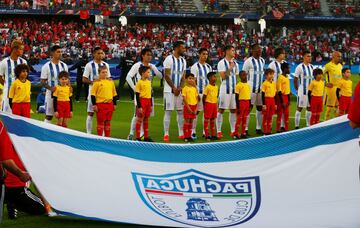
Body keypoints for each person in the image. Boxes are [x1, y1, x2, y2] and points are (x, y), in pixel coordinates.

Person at [0, 121, 47, 220]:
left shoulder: (8, 146)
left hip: (4, 186)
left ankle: (11, 203)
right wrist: (46, 205)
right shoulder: (29, 155)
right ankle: (14, 203)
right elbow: (37, 183)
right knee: (42, 208)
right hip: (18, 190)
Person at [126, 48, 162, 140]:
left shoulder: (152, 66)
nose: (149, 57)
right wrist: (135, 88)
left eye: (151, 55)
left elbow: (160, 76)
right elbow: (128, 77)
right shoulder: (137, 65)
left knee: (146, 115)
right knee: (137, 114)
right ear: (142, 55)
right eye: (147, 54)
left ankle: (143, 134)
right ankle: (131, 133)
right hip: (140, 95)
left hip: (149, 95)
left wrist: (155, 68)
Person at [163, 41, 187, 142]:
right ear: (177, 48)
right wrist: (173, 88)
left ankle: (181, 132)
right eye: (182, 48)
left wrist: (180, 88)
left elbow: (183, 76)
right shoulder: (169, 59)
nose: (184, 49)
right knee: (168, 111)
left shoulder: (183, 61)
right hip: (169, 90)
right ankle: (166, 133)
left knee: (180, 111)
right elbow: (166, 75)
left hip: (179, 91)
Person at [83, 47, 110, 134]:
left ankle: (101, 135)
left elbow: (108, 78)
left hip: (103, 94)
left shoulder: (106, 65)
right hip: (93, 93)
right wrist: (93, 82)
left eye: (102, 53)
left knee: (103, 114)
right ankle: (88, 133)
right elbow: (84, 79)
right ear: (94, 54)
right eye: (98, 53)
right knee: (91, 113)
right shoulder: (89, 65)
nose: (100, 55)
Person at [40, 45, 68, 123]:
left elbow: (67, 79)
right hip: (51, 95)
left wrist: (69, 87)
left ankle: (59, 134)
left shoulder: (64, 65)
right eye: (58, 52)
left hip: (62, 96)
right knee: (49, 116)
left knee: (62, 116)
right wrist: (50, 88)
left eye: (61, 52)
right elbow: (42, 81)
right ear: (52, 53)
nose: (60, 53)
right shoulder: (46, 66)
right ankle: (45, 133)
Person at [217, 45, 239, 139]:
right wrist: (230, 68)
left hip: (233, 90)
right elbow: (223, 77)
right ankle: (218, 131)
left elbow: (236, 76)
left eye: (234, 50)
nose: (234, 52)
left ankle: (233, 130)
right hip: (224, 90)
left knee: (233, 110)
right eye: (232, 50)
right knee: (221, 110)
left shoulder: (236, 63)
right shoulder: (221, 63)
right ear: (227, 51)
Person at [242, 44, 265, 135]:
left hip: (260, 89)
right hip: (250, 89)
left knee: (260, 108)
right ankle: (246, 129)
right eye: (258, 49)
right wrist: (245, 87)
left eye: (260, 49)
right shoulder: (248, 61)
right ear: (253, 50)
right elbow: (243, 74)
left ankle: (258, 128)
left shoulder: (262, 61)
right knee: (249, 108)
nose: (260, 51)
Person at [190, 48, 213, 139]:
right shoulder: (195, 67)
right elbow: (192, 81)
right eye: (203, 54)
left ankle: (205, 131)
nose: (205, 56)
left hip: (208, 94)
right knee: (197, 112)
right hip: (199, 93)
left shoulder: (209, 67)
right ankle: (193, 130)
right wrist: (196, 93)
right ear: (199, 55)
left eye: (206, 54)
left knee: (207, 113)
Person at [0, 40, 27, 113]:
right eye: (21, 49)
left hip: (20, 94)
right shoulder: (4, 62)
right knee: (6, 117)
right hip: (7, 94)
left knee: (19, 117)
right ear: (15, 49)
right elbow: (0, 76)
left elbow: (25, 77)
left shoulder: (23, 62)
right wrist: (6, 84)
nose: (22, 51)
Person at [91, 66, 117, 137]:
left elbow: (114, 94)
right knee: (100, 122)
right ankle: (100, 138)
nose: (105, 74)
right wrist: (94, 105)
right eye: (103, 72)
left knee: (108, 122)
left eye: (106, 72)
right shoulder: (96, 83)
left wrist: (115, 104)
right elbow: (93, 95)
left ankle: (107, 138)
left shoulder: (111, 82)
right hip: (101, 105)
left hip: (110, 104)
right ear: (99, 73)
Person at [293, 51, 314, 128]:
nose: (310, 58)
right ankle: (296, 126)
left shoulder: (311, 67)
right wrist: (297, 90)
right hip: (302, 91)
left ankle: (308, 125)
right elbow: (295, 80)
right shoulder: (299, 67)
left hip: (310, 92)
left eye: (310, 56)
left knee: (309, 108)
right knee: (299, 108)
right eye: (308, 56)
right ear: (304, 57)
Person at [268, 47, 286, 131]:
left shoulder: (285, 63)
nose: (284, 55)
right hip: (274, 90)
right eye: (283, 53)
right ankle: (270, 126)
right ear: (278, 55)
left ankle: (281, 126)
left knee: (282, 109)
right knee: (272, 109)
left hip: (283, 91)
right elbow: (269, 78)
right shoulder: (272, 64)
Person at [134, 65, 153, 142]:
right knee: (140, 119)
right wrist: (139, 106)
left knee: (146, 119)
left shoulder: (149, 82)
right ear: (143, 73)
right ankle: (138, 137)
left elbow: (150, 94)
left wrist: (151, 104)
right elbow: (137, 95)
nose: (149, 74)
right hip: (142, 101)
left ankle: (146, 136)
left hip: (148, 101)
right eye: (148, 72)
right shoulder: (139, 83)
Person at [323, 51, 342, 120]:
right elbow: (319, 74)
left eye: (340, 56)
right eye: (338, 56)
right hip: (331, 89)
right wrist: (325, 83)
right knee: (329, 108)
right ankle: (326, 122)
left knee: (338, 108)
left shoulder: (340, 65)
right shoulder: (328, 65)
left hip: (339, 89)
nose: (340, 58)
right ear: (333, 57)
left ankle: (334, 122)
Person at [182, 73, 199, 142]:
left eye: (192, 78)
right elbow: (184, 98)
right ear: (185, 79)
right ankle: (186, 136)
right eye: (189, 78)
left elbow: (197, 98)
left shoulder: (194, 89)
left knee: (191, 121)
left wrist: (196, 108)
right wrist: (188, 107)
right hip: (188, 106)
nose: (191, 80)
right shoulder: (185, 88)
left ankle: (189, 135)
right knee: (187, 121)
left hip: (194, 106)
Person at [234, 71, 251, 139]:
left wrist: (249, 105)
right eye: (243, 75)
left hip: (247, 103)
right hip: (241, 103)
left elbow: (249, 96)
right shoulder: (238, 85)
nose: (245, 76)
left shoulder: (248, 85)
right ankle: (236, 133)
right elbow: (236, 97)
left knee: (245, 118)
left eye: (246, 75)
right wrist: (238, 107)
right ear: (240, 77)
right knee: (239, 119)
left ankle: (243, 132)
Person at [203, 72, 218, 141]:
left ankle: (213, 135)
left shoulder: (216, 86)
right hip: (208, 104)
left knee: (212, 120)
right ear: (209, 78)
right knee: (207, 120)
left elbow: (216, 96)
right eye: (213, 77)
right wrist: (205, 106)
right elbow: (204, 97)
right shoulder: (208, 87)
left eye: (215, 76)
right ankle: (206, 135)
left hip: (214, 104)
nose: (215, 78)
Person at [276, 62, 291, 132]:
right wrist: (282, 102)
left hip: (286, 98)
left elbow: (288, 90)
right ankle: (278, 129)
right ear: (285, 69)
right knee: (279, 113)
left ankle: (286, 128)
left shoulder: (287, 77)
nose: (290, 69)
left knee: (287, 114)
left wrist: (289, 100)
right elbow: (279, 91)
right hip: (281, 98)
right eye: (288, 68)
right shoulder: (280, 77)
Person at [261, 69, 277, 135]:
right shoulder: (264, 83)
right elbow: (262, 94)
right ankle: (265, 131)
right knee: (266, 116)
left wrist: (275, 104)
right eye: (270, 74)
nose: (271, 76)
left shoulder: (274, 83)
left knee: (271, 116)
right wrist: (264, 104)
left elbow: (275, 94)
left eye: (272, 74)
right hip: (267, 100)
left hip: (272, 100)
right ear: (266, 76)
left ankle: (269, 130)